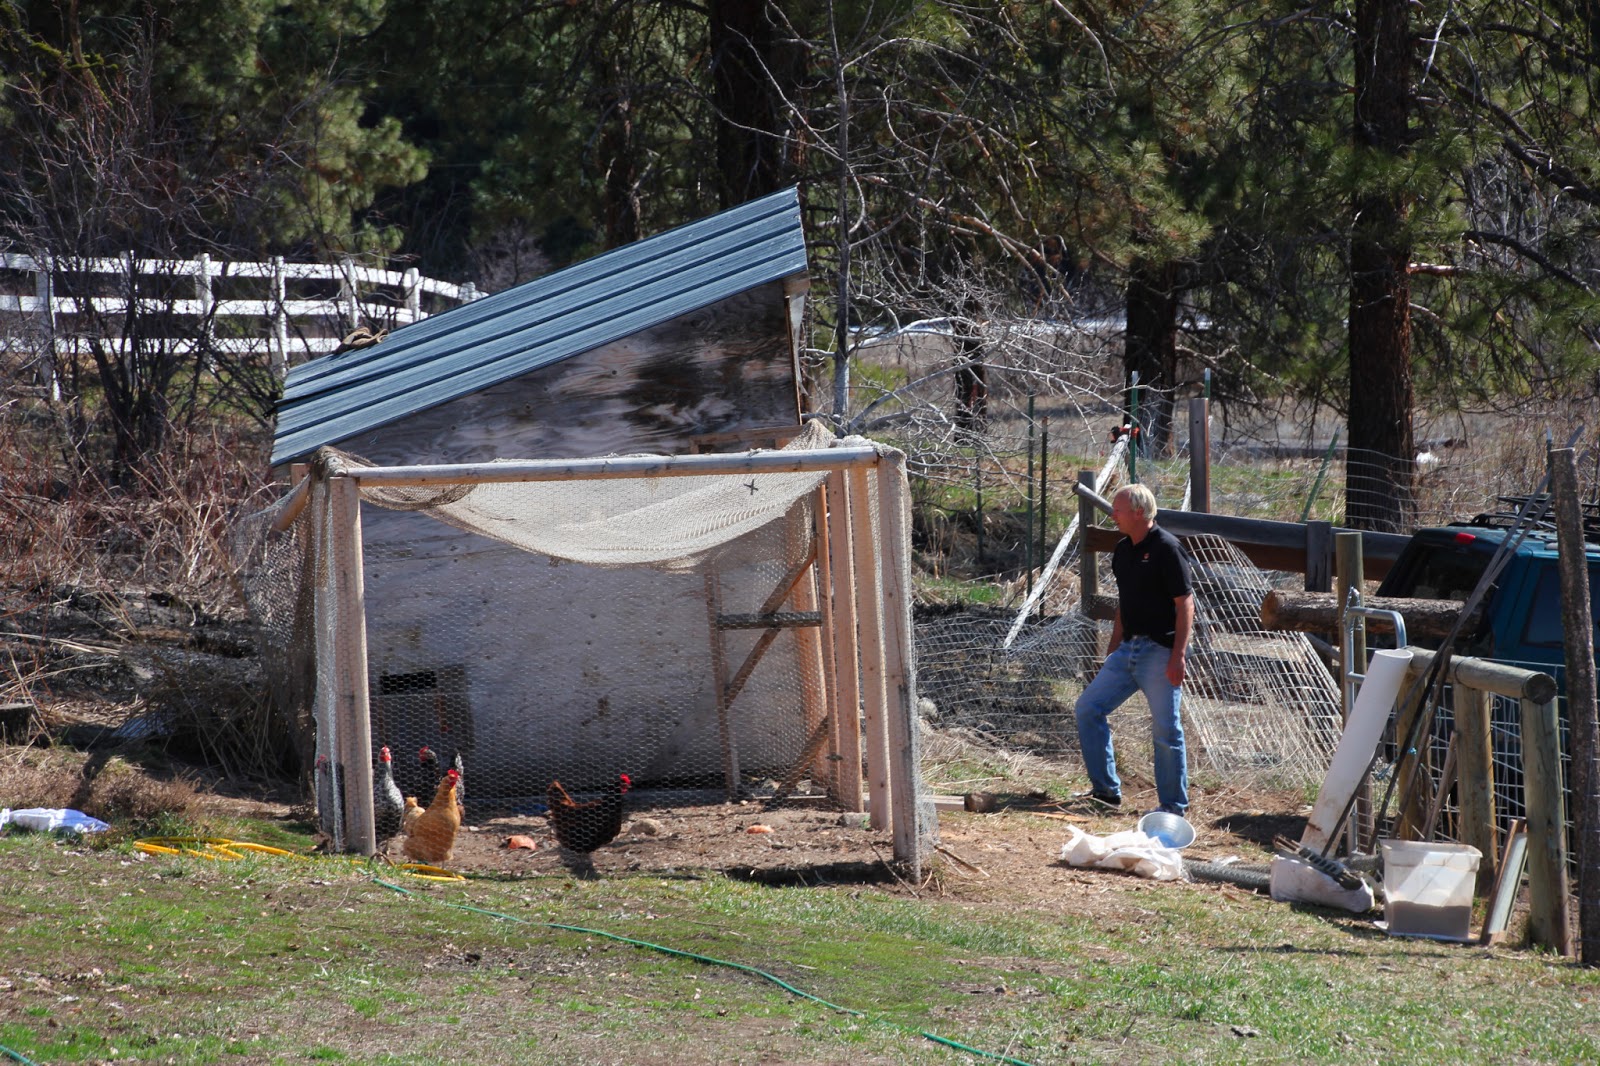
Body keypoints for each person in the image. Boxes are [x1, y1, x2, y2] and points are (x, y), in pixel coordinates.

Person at [1073, 483, 1194, 815]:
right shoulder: (1123, 550)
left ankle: (1172, 809)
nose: (1113, 514)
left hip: (1160, 651)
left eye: (1118, 509)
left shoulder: (1168, 549)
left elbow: (1185, 604)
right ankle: (1106, 793)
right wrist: (1113, 651)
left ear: (1139, 513)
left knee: (1166, 729)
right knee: (1088, 708)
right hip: (1128, 650)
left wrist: (1178, 655)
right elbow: (1123, 607)